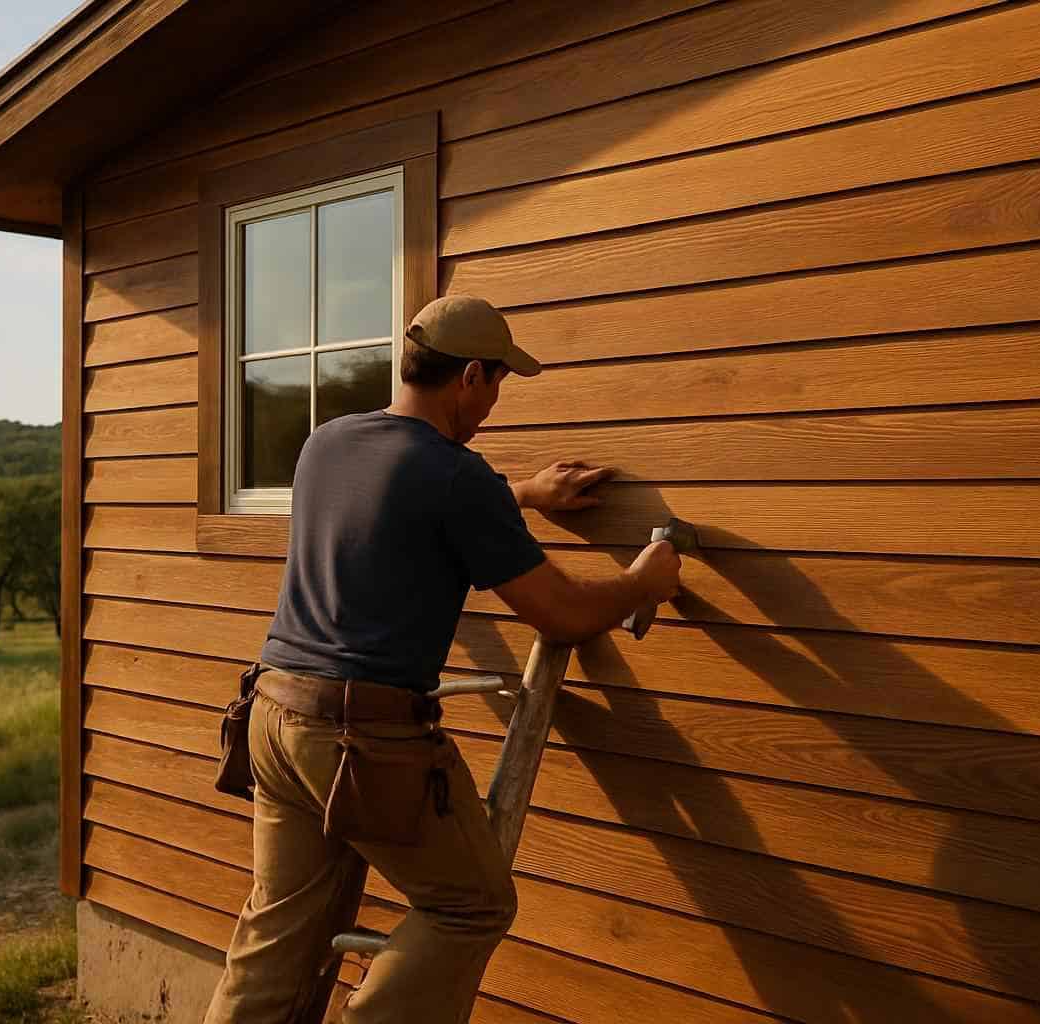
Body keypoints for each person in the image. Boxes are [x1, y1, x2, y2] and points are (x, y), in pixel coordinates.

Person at [203, 295, 683, 1024]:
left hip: (271, 718)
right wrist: (645, 581)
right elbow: (561, 612)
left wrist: (520, 495)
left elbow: (399, 502)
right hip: (360, 738)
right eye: (496, 384)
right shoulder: (460, 479)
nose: (492, 404)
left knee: (278, 933)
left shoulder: (328, 442)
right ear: (469, 377)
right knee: (471, 905)